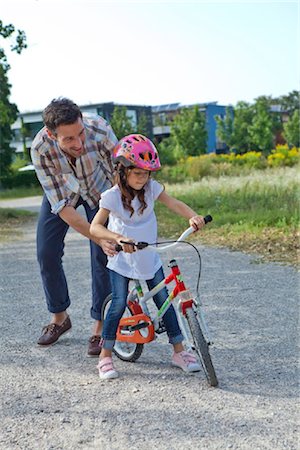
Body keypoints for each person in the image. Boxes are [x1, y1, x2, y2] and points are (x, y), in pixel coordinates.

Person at [89, 134, 206, 380]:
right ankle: (105, 356)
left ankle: (178, 351)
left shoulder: (152, 189)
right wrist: (119, 239)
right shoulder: (111, 196)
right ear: (122, 171)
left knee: (164, 300)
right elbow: (95, 227)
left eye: (147, 173)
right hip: (122, 259)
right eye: (138, 173)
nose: (143, 178)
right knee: (119, 303)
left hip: (149, 257)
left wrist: (193, 216)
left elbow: (174, 203)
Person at [30, 97, 118, 356]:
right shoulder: (40, 148)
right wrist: (96, 235)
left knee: (104, 252)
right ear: (50, 133)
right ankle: (60, 318)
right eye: (69, 139)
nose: (78, 143)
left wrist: (108, 230)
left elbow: (120, 172)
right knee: (46, 251)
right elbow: (64, 209)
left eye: (80, 134)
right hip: (64, 193)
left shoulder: (100, 129)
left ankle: (100, 326)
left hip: (99, 189)